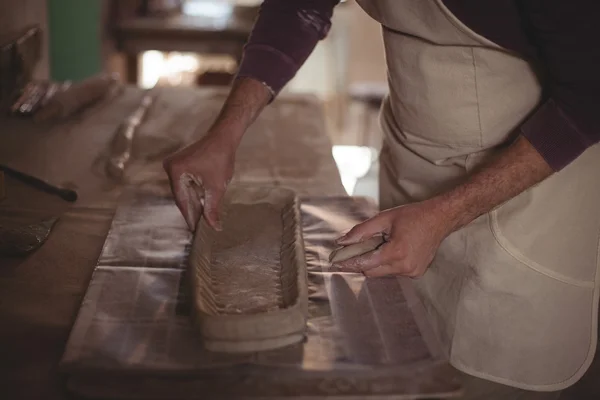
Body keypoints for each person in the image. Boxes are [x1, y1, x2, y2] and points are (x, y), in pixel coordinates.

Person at [163, 1, 600, 398]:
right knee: (408, 358)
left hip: (527, 196)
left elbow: (588, 97)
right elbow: (298, 6)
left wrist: (445, 214)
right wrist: (226, 133)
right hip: (414, 173)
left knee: (483, 377)